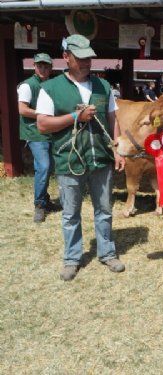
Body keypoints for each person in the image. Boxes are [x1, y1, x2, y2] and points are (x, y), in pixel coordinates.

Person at [36, 34, 126, 281]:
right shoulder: (50, 89)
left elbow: (112, 119)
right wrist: (75, 117)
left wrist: (116, 150)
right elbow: (43, 124)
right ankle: (72, 258)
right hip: (69, 160)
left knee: (105, 209)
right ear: (66, 57)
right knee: (70, 214)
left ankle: (107, 253)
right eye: (81, 58)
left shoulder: (103, 86)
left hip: (100, 158)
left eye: (89, 58)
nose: (87, 62)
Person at [18, 52, 58, 223]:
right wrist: (44, 114)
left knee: (48, 167)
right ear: (34, 66)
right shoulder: (28, 86)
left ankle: (45, 199)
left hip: (50, 131)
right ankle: (39, 205)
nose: (43, 68)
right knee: (44, 166)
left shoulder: (52, 85)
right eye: (39, 65)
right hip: (35, 132)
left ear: (50, 68)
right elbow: (22, 109)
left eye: (46, 66)